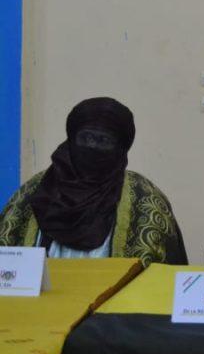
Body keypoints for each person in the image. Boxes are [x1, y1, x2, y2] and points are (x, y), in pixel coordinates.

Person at [0, 97, 186, 266]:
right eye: (86, 138)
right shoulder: (34, 191)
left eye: (103, 140)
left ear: (120, 148)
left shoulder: (144, 199)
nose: (92, 146)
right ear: (72, 138)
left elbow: (165, 276)